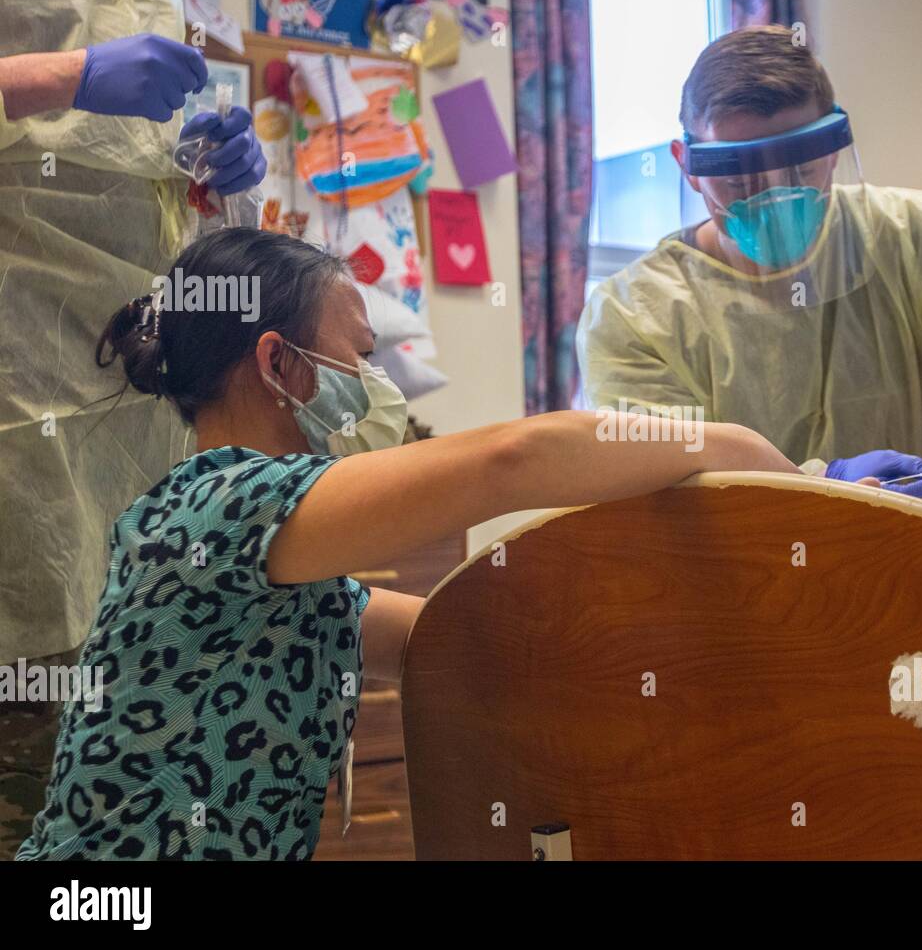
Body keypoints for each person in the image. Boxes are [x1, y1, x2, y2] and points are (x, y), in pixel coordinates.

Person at [16, 228, 798, 860]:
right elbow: (512, 460)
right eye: (360, 357)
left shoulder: (280, 571)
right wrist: (740, 448)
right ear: (277, 362)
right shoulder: (220, 506)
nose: (376, 381)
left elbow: (456, 638)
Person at [577, 25, 922, 497]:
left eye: (799, 168)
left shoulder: (913, 238)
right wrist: (814, 483)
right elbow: (657, 481)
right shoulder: (633, 317)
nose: (776, 196)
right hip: (736, 588)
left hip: (914, 562)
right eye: (740, 176)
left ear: (832, 147)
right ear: (687, 166)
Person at [0, 0, 265, 859]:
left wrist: (219, 175)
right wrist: (59, 77)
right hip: (18, 370)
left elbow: (146, 169)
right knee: (26, 751)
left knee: (124, 782)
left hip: (137, 394)